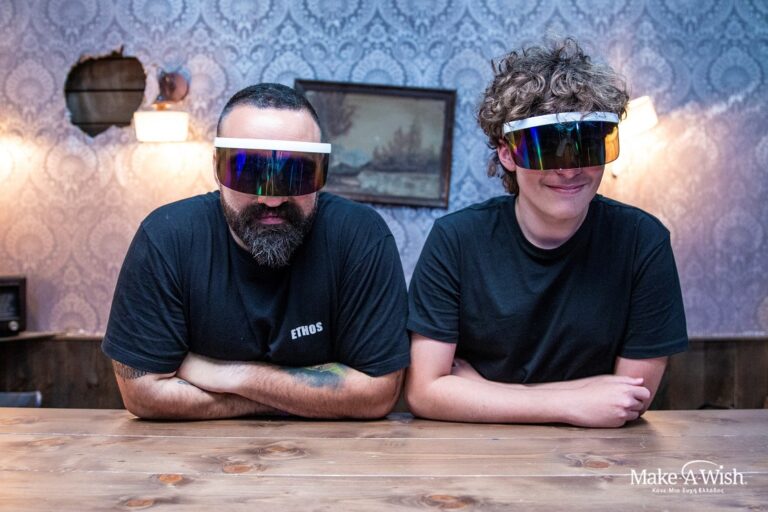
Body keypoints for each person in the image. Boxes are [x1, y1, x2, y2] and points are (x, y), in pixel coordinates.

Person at [405, 38, 688, 428]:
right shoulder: (456, 240)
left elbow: (627, 399)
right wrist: (573, 402)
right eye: (548, 149)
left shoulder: (643, 241)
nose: (569, 170)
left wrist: (479, 390)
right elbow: (424, 391)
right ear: (507, 154)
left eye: (587, 147)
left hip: (599, 456)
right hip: (474, 451)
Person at [103, 83, 409, 420]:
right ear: (217, 168)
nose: (271, 199)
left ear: (321, 171)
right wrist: (304, 399)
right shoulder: (167, 237)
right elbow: (143, 394)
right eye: (248, 173)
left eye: (295, 174)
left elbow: (377, 394)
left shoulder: (360, 237)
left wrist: (232, 376)